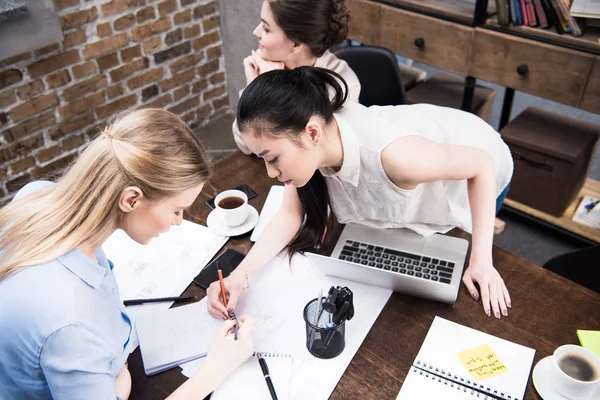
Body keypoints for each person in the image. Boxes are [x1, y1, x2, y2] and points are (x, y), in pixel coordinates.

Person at [209, 67, 514, 321]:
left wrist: (482, 261)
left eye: (272, 157)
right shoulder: (312, 144)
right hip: (428, 158)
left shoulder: (396, 157)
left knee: (458, 247)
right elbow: (290, 214)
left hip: (479, 164)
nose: (270, 173)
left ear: (312, 133)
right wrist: (239, 276)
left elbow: (481, 166)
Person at [0, 109, 253, 400]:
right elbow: (74, 328)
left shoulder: (37, 195)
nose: (179, 222)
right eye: (175, 210)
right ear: (131, 199)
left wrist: (117, 370)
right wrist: (215, 370)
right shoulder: (71, 323)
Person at [233, 0, 361, 154]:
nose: (256, 32)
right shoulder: (268, 68)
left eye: (266, 28)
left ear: (296, 44)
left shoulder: (339, 87)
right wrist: (255, 87)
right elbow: (246, 145)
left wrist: (270, 93)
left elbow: (305, 152)